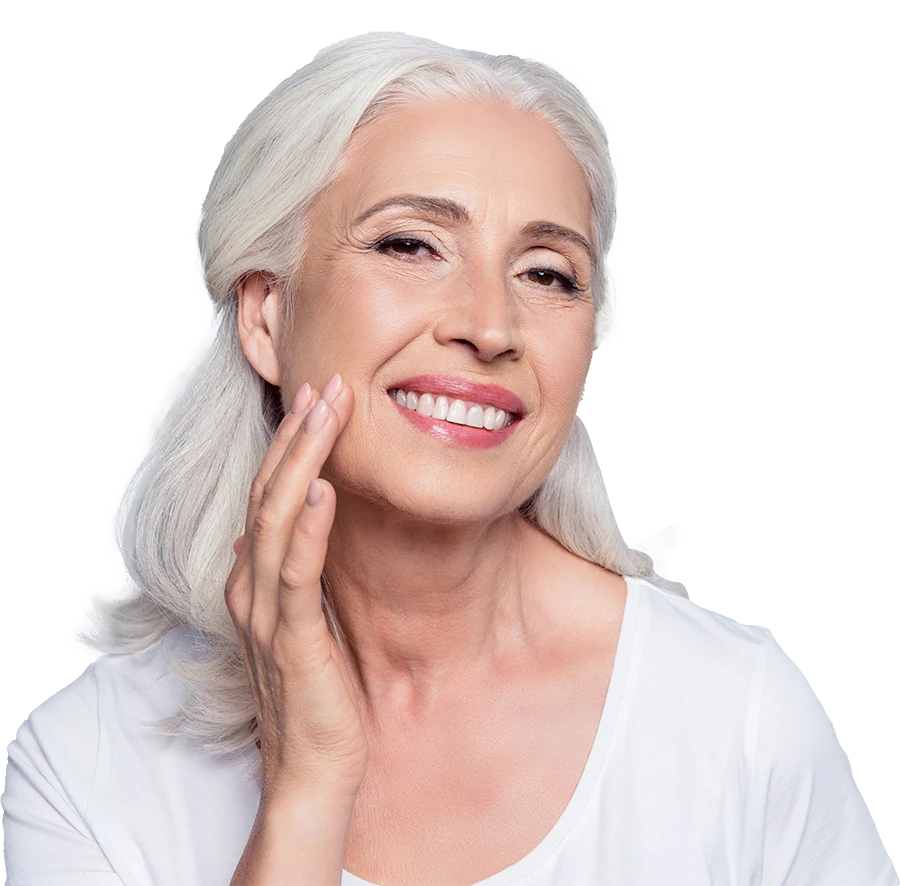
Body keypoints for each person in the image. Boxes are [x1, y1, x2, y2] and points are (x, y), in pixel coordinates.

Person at [1, 31, 896, 886]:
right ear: (266, 316)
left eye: (547, 273)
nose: (491, 325)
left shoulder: (734, 723)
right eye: (410, 244)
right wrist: (308, 784)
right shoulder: (81, 774)